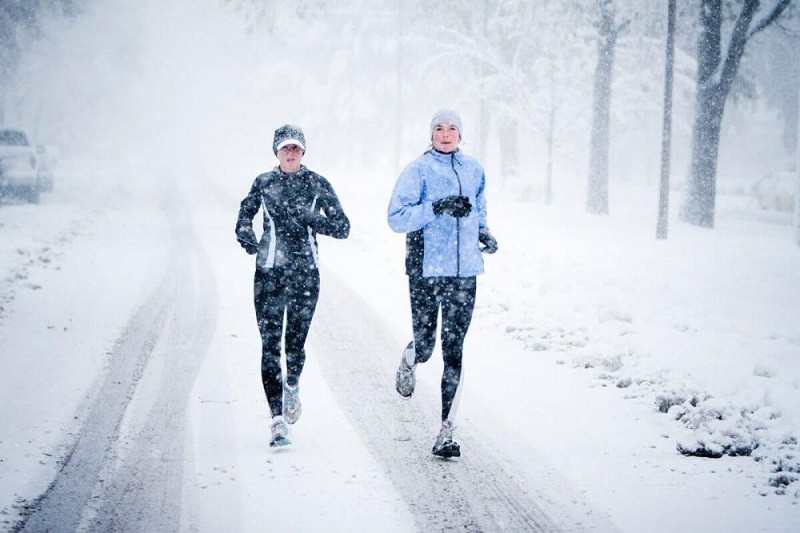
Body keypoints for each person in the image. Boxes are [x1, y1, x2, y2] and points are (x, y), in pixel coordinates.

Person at [387, 109, 498, 458]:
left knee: (454, 351)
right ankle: (410, 358)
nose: (446, 134)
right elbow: (396, 217)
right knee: (426, 345)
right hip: (425, 270)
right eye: (439, 128)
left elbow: (478, 208)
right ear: (430, 134)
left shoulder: (474, 169)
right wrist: (436, 207)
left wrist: (484, 234)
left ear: (461, 135)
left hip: (464, 273)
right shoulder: (418, 170)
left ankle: (446, 432)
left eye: (452, 128)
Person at [236, 124, 350, 447]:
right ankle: (276, 421)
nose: (290, 153)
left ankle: (293, 385)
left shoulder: (317, 184)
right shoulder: (264, 183)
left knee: (293, 347)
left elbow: (343, 227)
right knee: (270, 346)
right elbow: (244, 215)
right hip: (269, 274)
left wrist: (312, 218)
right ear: (276, 152)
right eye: (284, 148)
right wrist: (246, 234)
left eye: (295, 149)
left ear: (303, 153)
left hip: (304, 276)